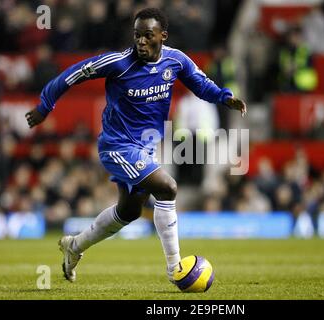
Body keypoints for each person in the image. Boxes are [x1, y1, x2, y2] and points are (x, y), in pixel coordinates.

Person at [25, 8, 247, 283]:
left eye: (147, 36)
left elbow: (201, 84)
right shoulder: (118, 63)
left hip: (145, 148)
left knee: (128, 211)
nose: (140, 41)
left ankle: (75, 246)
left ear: (162, 36)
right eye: (137, 35)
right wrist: (45, 105)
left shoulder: (175, 61)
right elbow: (74, 73)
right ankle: (175, 268)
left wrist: (225, 98)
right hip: (117, 146)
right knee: (167, 188)